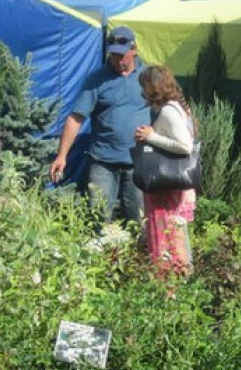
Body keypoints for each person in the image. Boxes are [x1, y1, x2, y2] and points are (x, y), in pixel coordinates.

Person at [49, 26, 149, 227]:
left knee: (140, 219)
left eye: (121, 55)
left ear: (134, 49)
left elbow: (170, 106)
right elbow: (75, 118)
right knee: (98, 216)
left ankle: (140, 256)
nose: (117, 60)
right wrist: (62, 155)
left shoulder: (148, 76)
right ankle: (100, 253)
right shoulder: (97, 79)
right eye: (113, 55)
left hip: (139, 160)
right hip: (103, 161)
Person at [134, 65, 197, 274]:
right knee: (175, 240)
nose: (143, 92)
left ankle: (170, 290)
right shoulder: (177, 107)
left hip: (167, 190)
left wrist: (150, 137)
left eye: (145, 86)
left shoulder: (169, 110)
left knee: (169, 241)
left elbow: (184, 145)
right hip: (171, 189)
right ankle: (176, 287)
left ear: (154, 87)